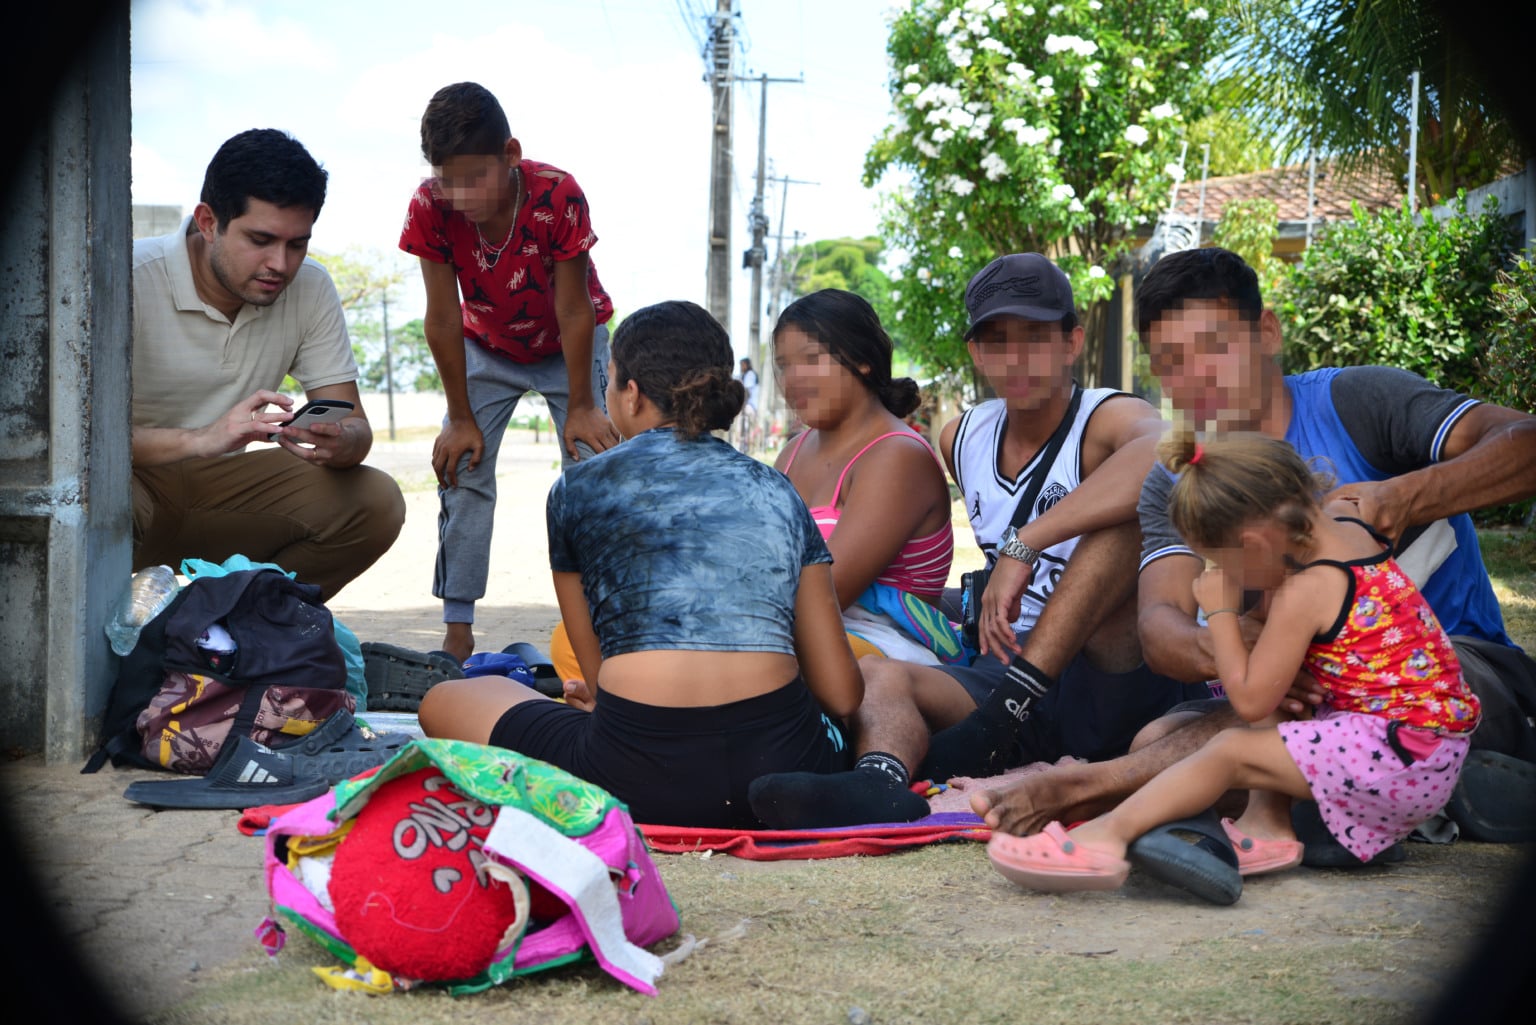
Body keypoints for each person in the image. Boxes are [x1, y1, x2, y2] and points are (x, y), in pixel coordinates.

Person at [973, 246, 1536, 851]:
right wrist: (1235, 647)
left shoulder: (1356, 403)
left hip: (1444, 671)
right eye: (1169, 362)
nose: (1194, 378)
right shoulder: (1180, 475)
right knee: (1156, 739)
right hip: (1305, 700)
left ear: (1266, 332)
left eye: (1213, 347)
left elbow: (1524, 442)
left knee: (1219, 744)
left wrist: (1404, 496)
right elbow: (1160, 625)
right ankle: (1401, 804)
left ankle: (1092, 791)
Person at [747, 253, 1193, 829]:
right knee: (882, 676)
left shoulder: (1104, 416)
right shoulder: (964, 436)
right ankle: (878, 781)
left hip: (1103, 670)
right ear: (976, 353)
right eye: (997, 342)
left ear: (1072, 342)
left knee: (1121, 520)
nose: (1016, 358)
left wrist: (1025, 543)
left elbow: (1168, 452)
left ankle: (997, 725)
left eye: (1035, 338)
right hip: (1000, 665)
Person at [417, 300, 863, 827]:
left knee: (445, 699)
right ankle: (863, 778)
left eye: (607, 383)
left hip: (637, 774)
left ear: (631, 392)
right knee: (871, 690)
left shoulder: (576, 489)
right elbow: (842, 693)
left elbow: (600, 685)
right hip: (786, 760)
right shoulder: (776, 489)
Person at [987, 431, 1481, 895]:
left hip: (1400, 759)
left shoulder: (1306, 591)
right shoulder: (1348, 529)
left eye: (1222, 563)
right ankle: (1267, 827)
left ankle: (1103, 838)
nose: (1227, 577)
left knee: (1229, 749)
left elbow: (1248, 703)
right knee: (1286, 686)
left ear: (1253, 544)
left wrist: (1221, 613)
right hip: (1428, 749)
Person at [131, 129, 404, 602]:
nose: (280, 264)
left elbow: (356, 427)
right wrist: (202, 439)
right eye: (261, 240)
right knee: (87, 501)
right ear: (208, 221)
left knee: (374, 501)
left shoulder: (310, 286)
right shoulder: (127, 277)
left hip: (230, 490)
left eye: (297, 244)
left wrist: (339, 442)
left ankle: (241, 625)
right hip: (133, 481)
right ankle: (111, 635)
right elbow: (75, 447)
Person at [400, 82, 619, 664]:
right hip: (486, 345)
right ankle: (457, 631)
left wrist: (582, 405)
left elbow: (574, 308)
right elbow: (442, 317)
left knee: (593, 468)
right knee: (463, 468)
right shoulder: (430, 207)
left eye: (475, 178)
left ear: (511, 155)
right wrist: (460, 417)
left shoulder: (557, 194)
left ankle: (601, 621)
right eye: (447, 180)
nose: (461, 196)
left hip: (569, 345)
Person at [772, 289, 962, 665]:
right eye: (783, 365)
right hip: (797, 638)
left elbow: (829, 594)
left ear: (862, 360)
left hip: (885, 656)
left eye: (811, 359)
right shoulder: (791, 454)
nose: (792, 379)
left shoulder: (897, 456)